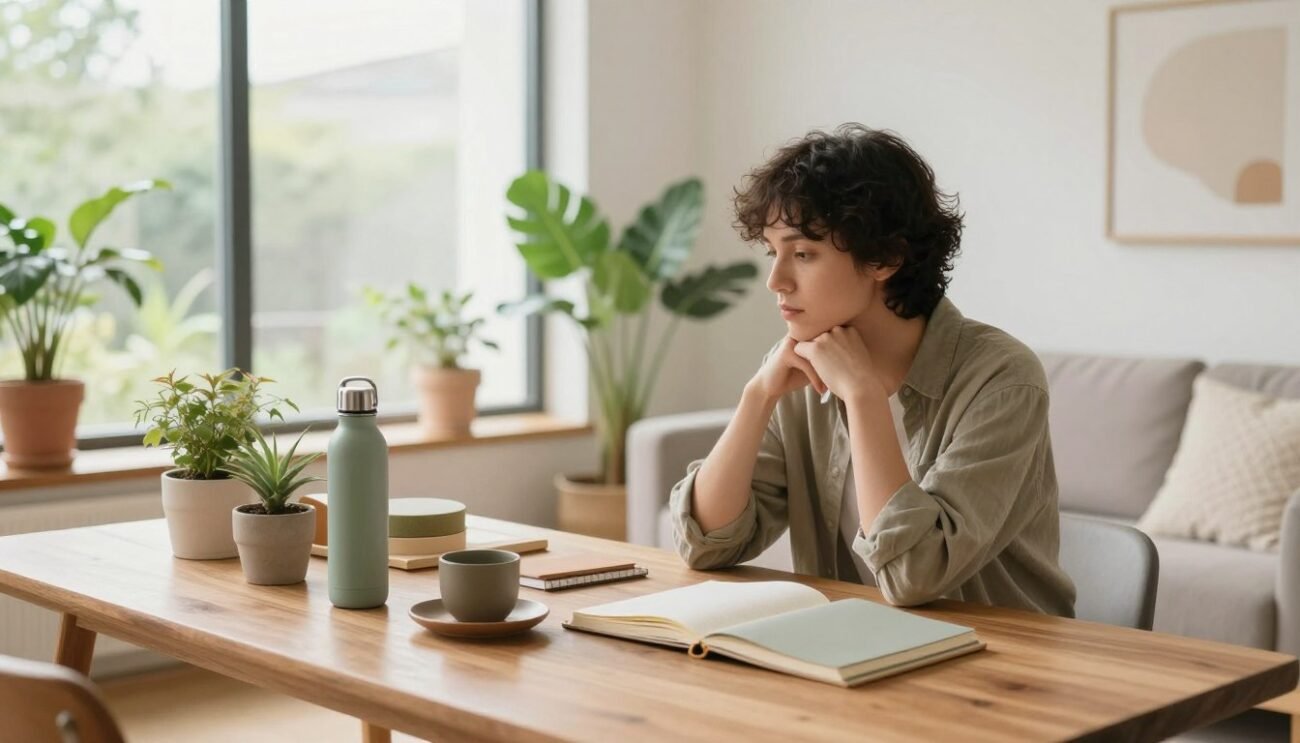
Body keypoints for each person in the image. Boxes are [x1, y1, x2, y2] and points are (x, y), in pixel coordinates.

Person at [669, 124, 1075, 616]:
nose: (776, 280)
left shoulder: (1002, 379)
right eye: (772, 253)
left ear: (884, 257)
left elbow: (915, 575)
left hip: (999, 662)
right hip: (855, 646)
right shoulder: (799, 367)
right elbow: (706, 545)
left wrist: (863, 398)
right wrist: (757, 397)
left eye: (803, 254)